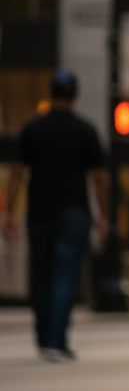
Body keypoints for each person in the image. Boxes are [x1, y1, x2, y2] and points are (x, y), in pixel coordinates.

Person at [0, 70, 107, 361]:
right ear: (75, 95)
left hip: (39, 213)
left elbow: (17, 173)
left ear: (51, 92)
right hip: (74, 214)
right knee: (64, 278)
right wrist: (103, 215)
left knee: (41, 277)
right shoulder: (85, 130)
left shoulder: (33, 128)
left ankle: (44, 337)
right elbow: (99, 178)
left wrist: (8, 210)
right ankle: (56, 341)